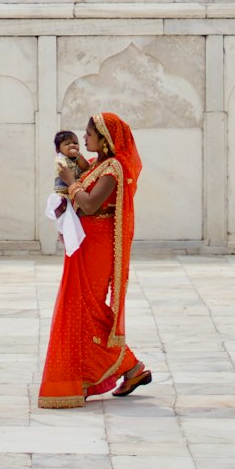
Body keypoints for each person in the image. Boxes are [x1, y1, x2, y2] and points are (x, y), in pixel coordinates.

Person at [38, 111, 152, 408]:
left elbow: (89, 206)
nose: (84, 138)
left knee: (88, 311)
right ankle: (128, 368)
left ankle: (129, 366)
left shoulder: (114, 168)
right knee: (82, 310)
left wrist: (70, 182)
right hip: (84, 245)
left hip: (98, 248)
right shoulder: (100, 164)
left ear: (104, 139)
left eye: (89, 134)